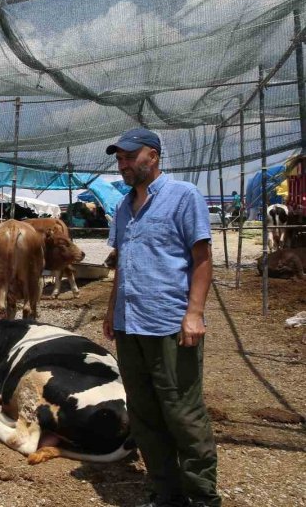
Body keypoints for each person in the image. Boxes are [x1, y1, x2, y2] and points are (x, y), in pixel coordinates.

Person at [103, 128, 220, 507]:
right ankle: (164, 493)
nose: (122, 165)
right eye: (119, 159)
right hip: (128, 324)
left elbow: (201, 259)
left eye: (129, 157)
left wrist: (195, 314)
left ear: (152, 156)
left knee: (183, 412)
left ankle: (201, 496)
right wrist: (110, 311)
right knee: (144, 413)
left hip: (168, 323)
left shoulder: (183, 196)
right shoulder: (123, 207)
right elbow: (122, 264)